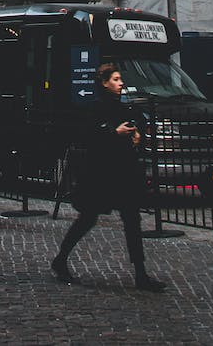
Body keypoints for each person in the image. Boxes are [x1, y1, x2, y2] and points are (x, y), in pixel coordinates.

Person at [51, 61, 166, 292]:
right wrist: (115, 132)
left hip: (123, 173)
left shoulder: (122, 105)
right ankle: (61, 258)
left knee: (132, 221)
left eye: (120, 79)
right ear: (104, 83)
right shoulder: (96, 106)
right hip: (102, 175)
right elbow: (90, 135)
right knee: (88, 219)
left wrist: (136, 135)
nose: (120, 83)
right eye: (115, 79)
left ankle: (141, 274)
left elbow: (136, 124)